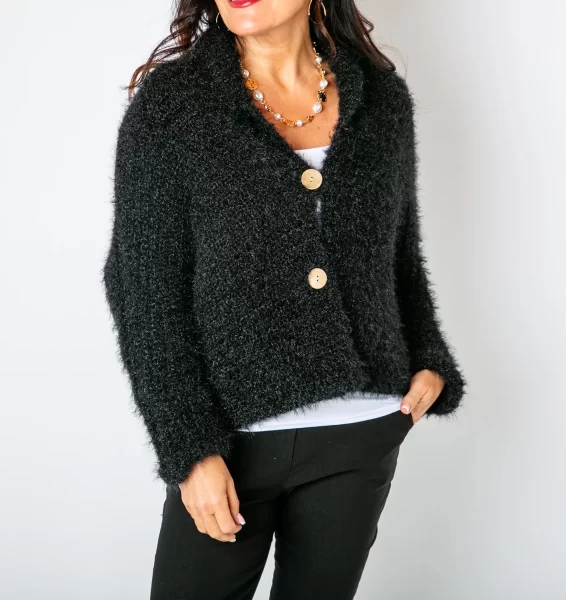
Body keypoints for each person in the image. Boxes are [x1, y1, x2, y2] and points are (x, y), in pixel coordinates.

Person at [102, 0, 467, 598]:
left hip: (361, 433)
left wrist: (428, 355)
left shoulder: (381, 100)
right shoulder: (173, 107)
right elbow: (143, 291)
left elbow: (399, 256)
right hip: (231, 441)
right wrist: (189, 449)